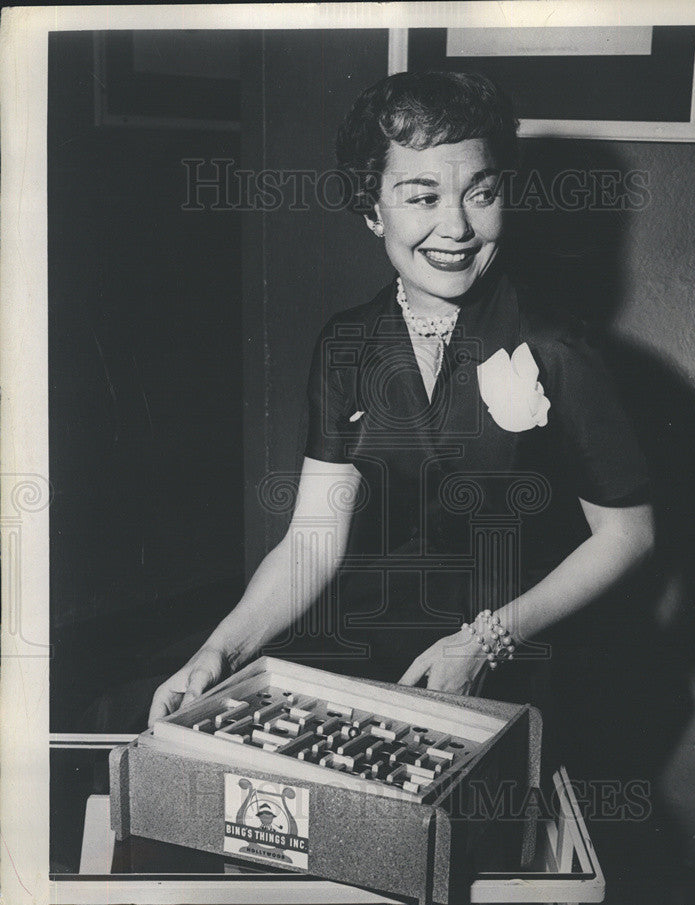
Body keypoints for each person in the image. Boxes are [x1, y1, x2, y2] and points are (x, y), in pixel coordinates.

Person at [149, 72, 654, 784]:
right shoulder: (347, 344)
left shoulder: (556, 347)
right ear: (370, 211)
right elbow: (310, 544)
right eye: (421, 197)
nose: (455, 227)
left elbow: (628, 535)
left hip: (524, 653)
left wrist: (484, 642)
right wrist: (220, 651)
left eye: (479, 193)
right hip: (376, 645)